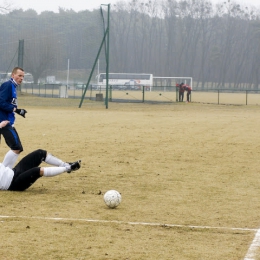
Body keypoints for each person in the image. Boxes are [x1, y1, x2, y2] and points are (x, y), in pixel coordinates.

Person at [0, 121, 81, 191]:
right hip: (13, 184)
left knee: (40, 153)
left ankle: (64, 164)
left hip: (13, 172)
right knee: (38, 171)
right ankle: (68, 168)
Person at [0, 67, 27, 168]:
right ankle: (4, 173)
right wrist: (16, 110)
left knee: (18, 148)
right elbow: (1, 102)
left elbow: (7, 104)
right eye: (19, 75)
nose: (21, 78)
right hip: (4, 122)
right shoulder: (8, 85)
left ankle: (5, 173)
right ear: (13, 75)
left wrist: (18, 111)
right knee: (16, 147)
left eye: (23, 76)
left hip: (8, 121)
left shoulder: (13, 87)